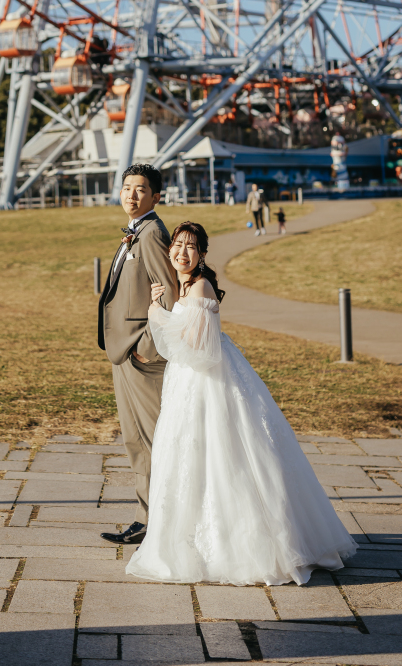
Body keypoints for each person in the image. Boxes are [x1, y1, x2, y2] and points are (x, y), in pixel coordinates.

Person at [125, 220, 356, 586]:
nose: (181, 252)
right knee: (191, 458)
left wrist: (157, 313)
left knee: (223, 455)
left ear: (201, 255)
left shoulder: (200, 287)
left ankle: (245, 545)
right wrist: (164, 310)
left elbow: (199, 351)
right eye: (177, 246)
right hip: (187, 382)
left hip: (206, 382)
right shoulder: (184, 286)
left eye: (190, 247)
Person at [97, 163, 178, 546]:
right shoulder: (136, 231)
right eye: (126, 187)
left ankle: (154, 522)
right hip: (124, 352)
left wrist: (146, 349)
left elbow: (171, 294)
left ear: (156, 196)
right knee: (135, 440)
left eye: (140, 189)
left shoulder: (151, 234)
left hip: (141, 356)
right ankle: (146, 518)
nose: (131, 194)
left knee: (151, 440)